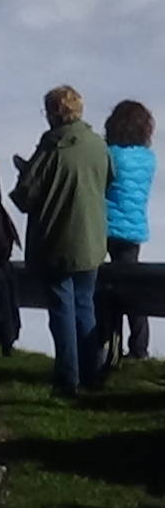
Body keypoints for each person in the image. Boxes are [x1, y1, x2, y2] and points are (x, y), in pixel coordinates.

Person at [11, 85, 112, 396]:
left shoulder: (51, 146)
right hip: (92, 240)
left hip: (56, 241)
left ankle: (68, 377)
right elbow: (110, 179)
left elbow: (26, 197)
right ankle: (91, 372)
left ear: (55, 113)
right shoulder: (98, 144)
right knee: (85, 305)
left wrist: (24, 172)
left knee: (62, 309)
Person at [101, 100, 155, 363]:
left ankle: (110, 346)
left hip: (107, 226)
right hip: (134, 230)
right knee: (134, 289)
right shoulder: (148, 159)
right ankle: (140, 347)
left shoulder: (110, 155)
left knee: (105, 287)